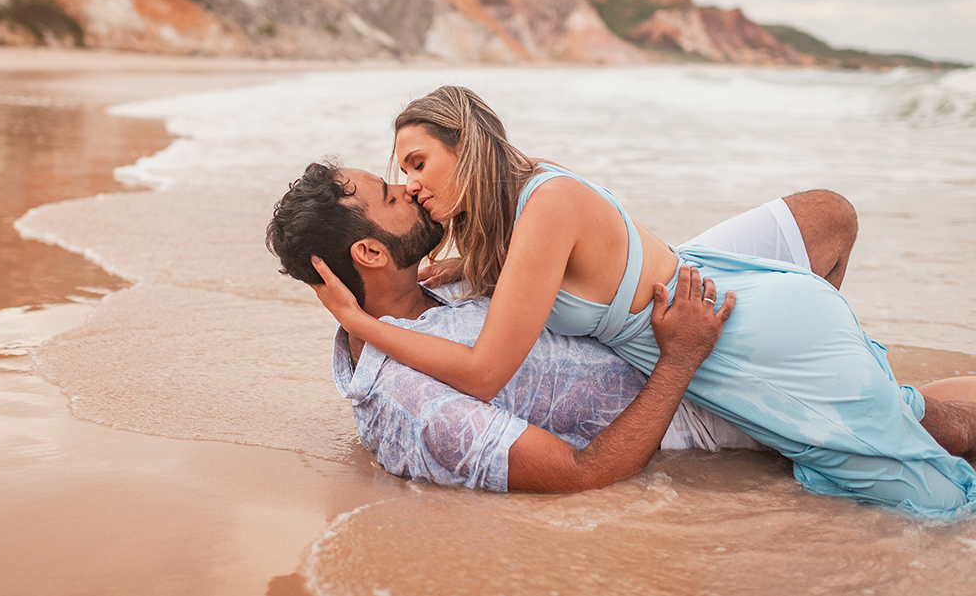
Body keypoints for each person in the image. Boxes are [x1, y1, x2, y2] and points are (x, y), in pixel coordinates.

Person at [305, 86, 976, 519]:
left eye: (415, 166)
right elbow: (476, 281)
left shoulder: (541, 212)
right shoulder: (504, 219)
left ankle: (813, 384)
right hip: (717, 307)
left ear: (466, 147)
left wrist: (361, 321)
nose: (409, 184)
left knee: (933, 492)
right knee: (910, 413)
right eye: (397, 179)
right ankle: (824, 387)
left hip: (735, 334)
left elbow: (483, 371)